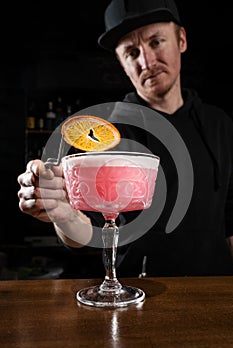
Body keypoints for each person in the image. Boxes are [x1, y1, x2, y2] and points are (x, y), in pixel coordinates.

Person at [17, 0, 233, 277]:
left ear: (181, 40)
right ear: (121, 63)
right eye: (131, 52)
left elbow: (229, 217)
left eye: (156, 42)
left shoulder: (220, 124)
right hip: (141, 294)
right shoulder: (106, 134)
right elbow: (85, 232)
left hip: (216, 291)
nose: (147, 62)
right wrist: (63, 213)